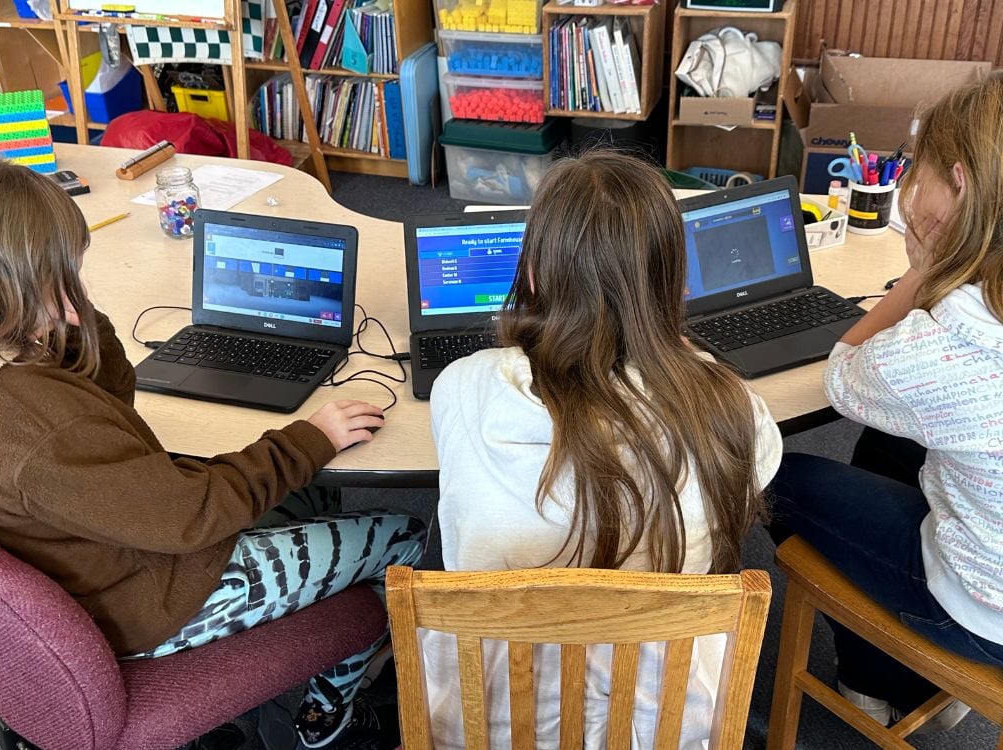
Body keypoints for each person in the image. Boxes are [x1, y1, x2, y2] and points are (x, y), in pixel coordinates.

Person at [0, 155, 426, 749]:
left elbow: (116, 411)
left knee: (313, 491)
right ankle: (330, 717)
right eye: (57, 283)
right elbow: (190, 517)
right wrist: (309, 437)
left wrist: (78, 321)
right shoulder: (41, 426)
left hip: (95, 554)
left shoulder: (6, 374)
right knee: (403, 535)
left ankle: (322, 593)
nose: (76, 298)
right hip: (150, 594)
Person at [424, 150, 783, 748]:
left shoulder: (460, 386)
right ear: (676, 282)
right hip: (664, 723)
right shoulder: (733, 409)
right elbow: (759, 468)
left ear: (534, 274)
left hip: (491, 721)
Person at [769, 71, 1003, 728]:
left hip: (987, 613)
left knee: (765, 475)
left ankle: (871, 676)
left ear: (957, 186)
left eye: (915, 173)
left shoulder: (941, 346)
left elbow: (844, 375)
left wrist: (921, 274)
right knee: (888, 443)